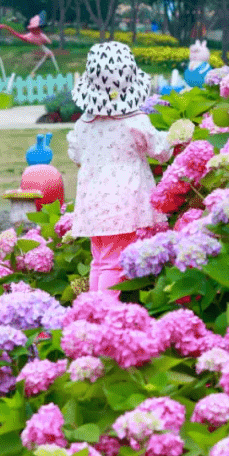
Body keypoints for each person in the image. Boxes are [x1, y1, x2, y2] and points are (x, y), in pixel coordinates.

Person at [67, 41, 172, 294]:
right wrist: (175, 136)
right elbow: (161, 152)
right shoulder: (135, 122)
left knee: (100, 260)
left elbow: (76, 154)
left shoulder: (84, 123)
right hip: (124, 205)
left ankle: (92, 309)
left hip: (93, 203)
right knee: (115, 263)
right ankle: (104, 312)